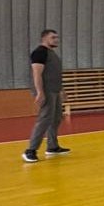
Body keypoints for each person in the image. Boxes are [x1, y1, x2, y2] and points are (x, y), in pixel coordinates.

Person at [22, 29, 71, 163]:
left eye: (57, 37)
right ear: (44, 38)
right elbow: (36, 74)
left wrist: (61, 90)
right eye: (53, 37)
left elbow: (54, 74)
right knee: (45, 119)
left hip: (54, 90)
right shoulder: (40, 52)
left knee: (56, 118)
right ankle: (30, 150)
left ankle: (52, 146)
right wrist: (40, 92)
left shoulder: (51, 53)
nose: (56, 40)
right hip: (46, 90)